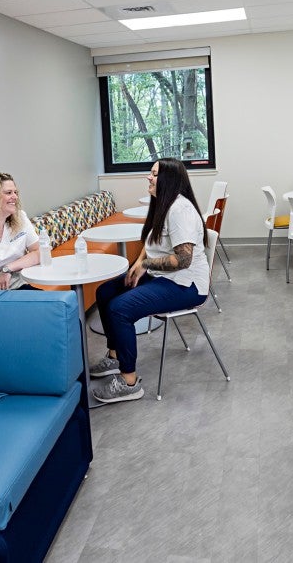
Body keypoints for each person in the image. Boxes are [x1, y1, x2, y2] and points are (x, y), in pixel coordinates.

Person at [91, 158, 210, 404]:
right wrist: (139, 262)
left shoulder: (180, 211)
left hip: (186, 285)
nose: (148, 177)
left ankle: (129, 382)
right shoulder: (162, 203)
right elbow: (151, 241)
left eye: (154, 174)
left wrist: (144, 265)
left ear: (168, 179)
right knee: (105, 292)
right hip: (163, 277)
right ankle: (114, 356)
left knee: (119, 308)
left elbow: (183, 260)